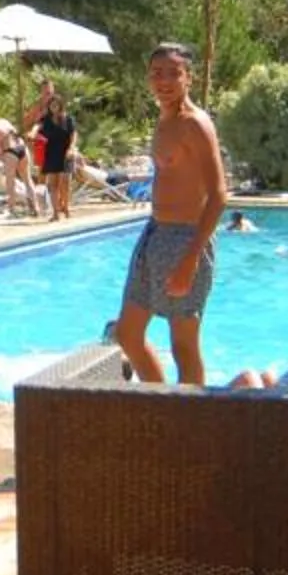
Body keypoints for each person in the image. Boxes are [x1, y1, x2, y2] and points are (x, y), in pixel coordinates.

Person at [110, 43, 226, 387]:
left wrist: (190, 259)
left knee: (183, 347)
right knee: (128, 334)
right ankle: (161, 401)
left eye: (173, 73)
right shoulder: (163, 120)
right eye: (156, 73)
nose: (164, 81)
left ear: (188, 78)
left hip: (186, 239)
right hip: (155, 233)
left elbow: (218, 195)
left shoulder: (195, 124)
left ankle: (191, 424)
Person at [26, 81, 79, 220]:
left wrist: (72, 148)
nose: (53, 107)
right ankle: (55, 213)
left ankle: (66, 207)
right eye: (51, 105)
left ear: (60, 106)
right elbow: (37, 126)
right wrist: (32, 133)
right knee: (53, 184)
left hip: (65, 153)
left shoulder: (67, 119)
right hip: (51, 153)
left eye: (55, 105)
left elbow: (73, 134)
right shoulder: (46, 119)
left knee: (66, 182)